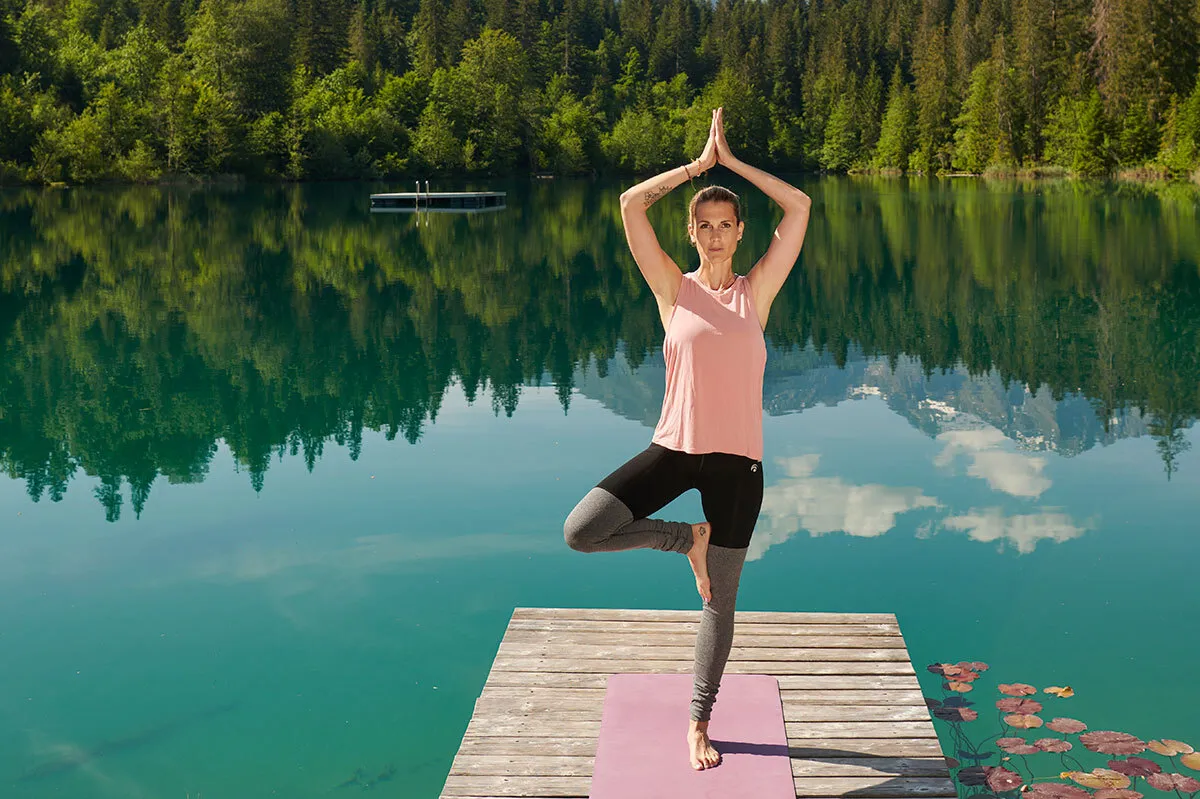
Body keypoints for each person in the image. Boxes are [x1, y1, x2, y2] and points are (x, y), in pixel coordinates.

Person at [563, 107, 812, 771]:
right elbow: (629, 204)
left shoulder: (757, 291)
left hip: (739, 466)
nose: (715, 235)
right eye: (704, 225)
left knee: (719, 603)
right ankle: (685, 539)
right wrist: (697, 167)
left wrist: (733, 164)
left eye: (726, 224)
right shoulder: (672, 288)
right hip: (675, 449)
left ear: (740, 231)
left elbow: (800, 205)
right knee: (582, 530)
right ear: (692, 232)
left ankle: (699, 720)